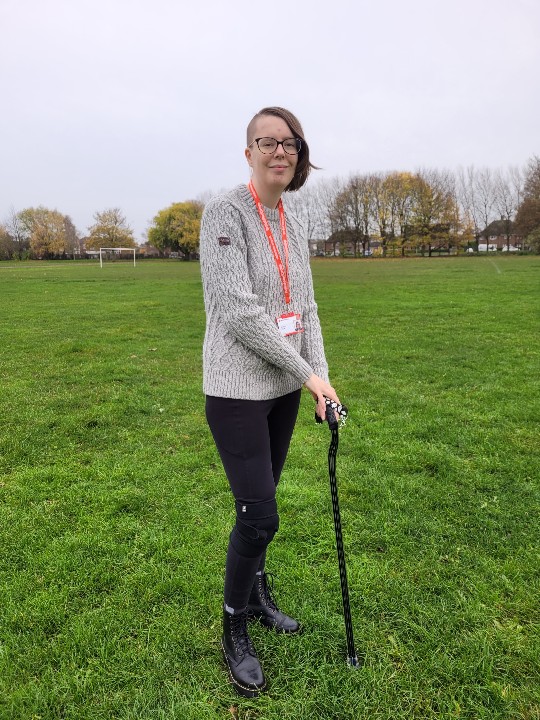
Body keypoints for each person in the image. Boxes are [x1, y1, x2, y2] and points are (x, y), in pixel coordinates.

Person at [199, 106, 341, 697]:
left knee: (263, 504)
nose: (279, 152)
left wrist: (321, 381)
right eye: (267, 142)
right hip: (235, 390)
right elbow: (239, 312)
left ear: (299, 155)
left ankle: (255, 593)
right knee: (258, 514)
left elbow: (303, 308)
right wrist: (309, 374)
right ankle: (233, 623)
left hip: (285, 388)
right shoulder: (224, 213)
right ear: (249, 151)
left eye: (290, 144)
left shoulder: (294, 216)